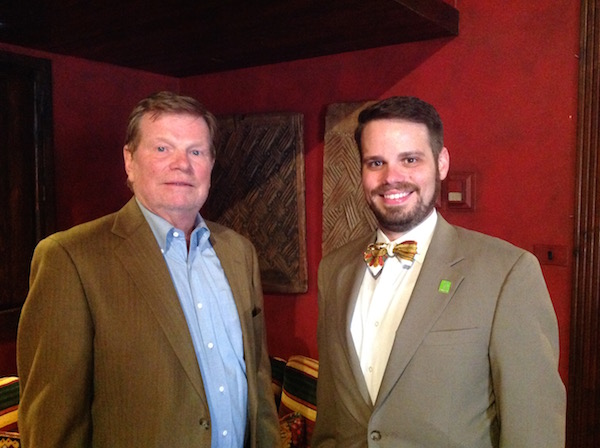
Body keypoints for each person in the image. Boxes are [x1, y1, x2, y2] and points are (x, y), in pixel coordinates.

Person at [17, 91, 280, 447]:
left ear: (211, 164)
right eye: (162, 149)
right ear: (129, 160)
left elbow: (258, 386)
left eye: (196, 151)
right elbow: (54, 425)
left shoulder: (238, 252)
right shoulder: (71, 259)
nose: (181, 164)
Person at [311, 96, 566, 447]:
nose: (392, 178)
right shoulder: (334, 269)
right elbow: (330, 416)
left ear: (441, 162)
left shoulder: (508, 273)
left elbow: (534, 431)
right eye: (376, 162)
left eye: (410, 159)